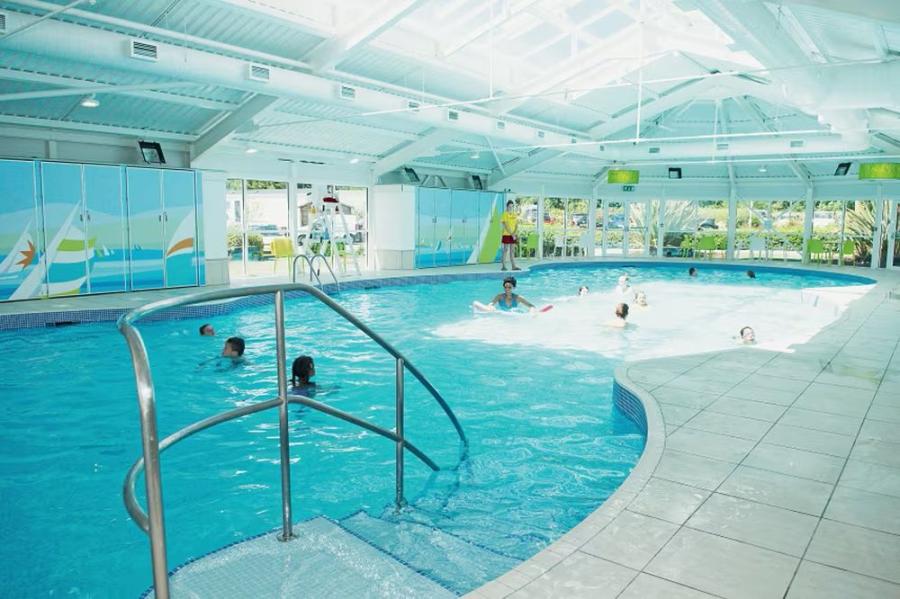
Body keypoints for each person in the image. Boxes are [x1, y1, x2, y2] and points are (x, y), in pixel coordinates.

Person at [500, 200, 521, 272]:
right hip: (506, 234)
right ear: (507, 206)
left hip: (513, 235)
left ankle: (513, 266)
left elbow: (516, 225)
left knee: (512, 251)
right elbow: (505, 225)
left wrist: (514, 234)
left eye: (512, 206)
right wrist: (511, 234)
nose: (510, 208)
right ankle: (503, 266)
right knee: (505, 250)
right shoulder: (504, 214)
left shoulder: (514, 215)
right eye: (509, 206)